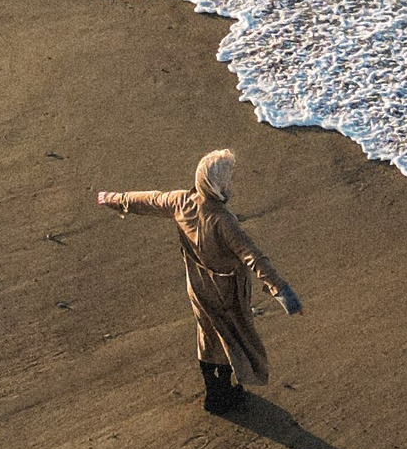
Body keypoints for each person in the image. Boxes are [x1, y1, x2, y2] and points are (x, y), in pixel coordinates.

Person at [97, 147, 301, 414]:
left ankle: (213, 391)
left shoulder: (181, 201)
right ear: (218, 185)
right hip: (227, 291)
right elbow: (253, 256)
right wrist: (282, 290)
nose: (232, 183)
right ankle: (222, 394)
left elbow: (149, 200)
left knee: (206, 334)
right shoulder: (223, 220)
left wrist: (114, 198)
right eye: (229, 179)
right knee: (232, 336)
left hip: (197, 284)